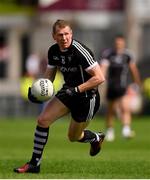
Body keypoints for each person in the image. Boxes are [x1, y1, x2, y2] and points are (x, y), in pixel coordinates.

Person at [14, 19, 105, 173]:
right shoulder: (53, 51)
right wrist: (37, 92)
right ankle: (34, 164)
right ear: (54, 36)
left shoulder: (81, 52)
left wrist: (76, 90)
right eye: (60, 35)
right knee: (43, 120)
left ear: (71, 34)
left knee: (73, 137)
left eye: (67, 34)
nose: (64, 38)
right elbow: (48, 79)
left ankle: (96, 138)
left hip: (87, 98)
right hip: (68, 92)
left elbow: (100, 78)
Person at [99, 34, 141, 142]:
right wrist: (100, 81)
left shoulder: (128, 55)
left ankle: (126, 130)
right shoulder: (108, 54)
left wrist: (137, 83)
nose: (118, 45)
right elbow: (103, 68)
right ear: (114, 43)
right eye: (117, 43)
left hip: (123, 85)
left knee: (125, 107)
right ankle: (109, 131)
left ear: (123, 43)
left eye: (120, 43)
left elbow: (133, 70)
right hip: (111, 86)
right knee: (111, 110)